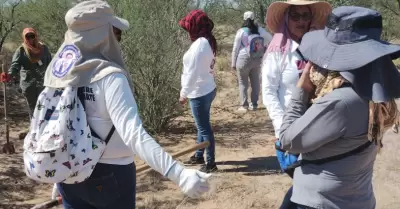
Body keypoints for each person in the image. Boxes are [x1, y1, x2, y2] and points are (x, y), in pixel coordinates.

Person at [44, 1, 211, 208]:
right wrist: (179, 173)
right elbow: (133, 134)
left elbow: (54, 129)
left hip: (67, 173)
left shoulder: (56, 74)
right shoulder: (110, 77)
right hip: (110, 176)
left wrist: (57, 178)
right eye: (115, 33)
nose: (118, 40)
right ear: (101, 35)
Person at [278, 6, 400, 209]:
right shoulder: (372, 92)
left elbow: (287, 139)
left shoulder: (340, 101)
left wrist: (301, 92)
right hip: (356, 196)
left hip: (322, 201)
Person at [261, 0, 331, 140]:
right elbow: (269, 92)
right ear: (286, 18)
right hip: (291, 127)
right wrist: (282, 128)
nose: (301, 21)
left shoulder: (318, 49)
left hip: (318, 126)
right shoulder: (277, 52)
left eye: (305, 16)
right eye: (295, 16)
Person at [178, 10, 218, 173]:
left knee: (204, 128)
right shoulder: (206, 40)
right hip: (207, 88)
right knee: (203, 125)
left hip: (199, 92)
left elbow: (192, 73)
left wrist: (183, 93)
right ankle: (199, 154)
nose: (187, 30)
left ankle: (211, 163)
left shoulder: (200, 45)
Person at [1, 28, 52, 119]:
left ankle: (43, 129)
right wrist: (8, 75)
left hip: (43, 83)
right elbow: (15, 66)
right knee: (32, 108)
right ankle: (34, 128)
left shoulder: (43, 48)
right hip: (29, 85)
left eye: (32, 36)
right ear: (24, 38)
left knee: (44, 105)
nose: (30, 38)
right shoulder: (21, 51)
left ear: (35, 36)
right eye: (27, 36)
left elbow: (51, 64)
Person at [231, 11, 272, 112]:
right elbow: (270, 38)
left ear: (244, 19)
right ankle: (254, 104)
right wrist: (262, 45)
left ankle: (244, 105)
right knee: (255, 82)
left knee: (243, 83)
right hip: (257, 58)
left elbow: (235, 49)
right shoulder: (259, 30)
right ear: (254, 19)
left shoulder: (241, 31)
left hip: (243, 59)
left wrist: (233, 63)